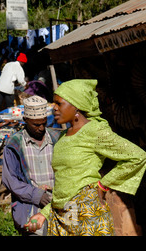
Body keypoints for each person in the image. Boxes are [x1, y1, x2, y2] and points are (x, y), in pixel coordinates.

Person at [26, 79, 146, 236]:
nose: (54, 108)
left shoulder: (94, 131)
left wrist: (103, 186)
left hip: (88, 216)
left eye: (59, 103)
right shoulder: (63, 136)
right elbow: (64, 183)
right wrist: (45, 213)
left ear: (76, 105)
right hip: (63, 218)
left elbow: (137, 156)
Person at [2, 95, 61, 235]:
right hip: (30, 209)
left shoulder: (56, 139)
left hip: (58, 206)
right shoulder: (14, 144)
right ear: (25, 120)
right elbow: (11, 181)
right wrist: (37, 195)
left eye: (44, 123)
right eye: (36, 125)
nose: (41, 128)